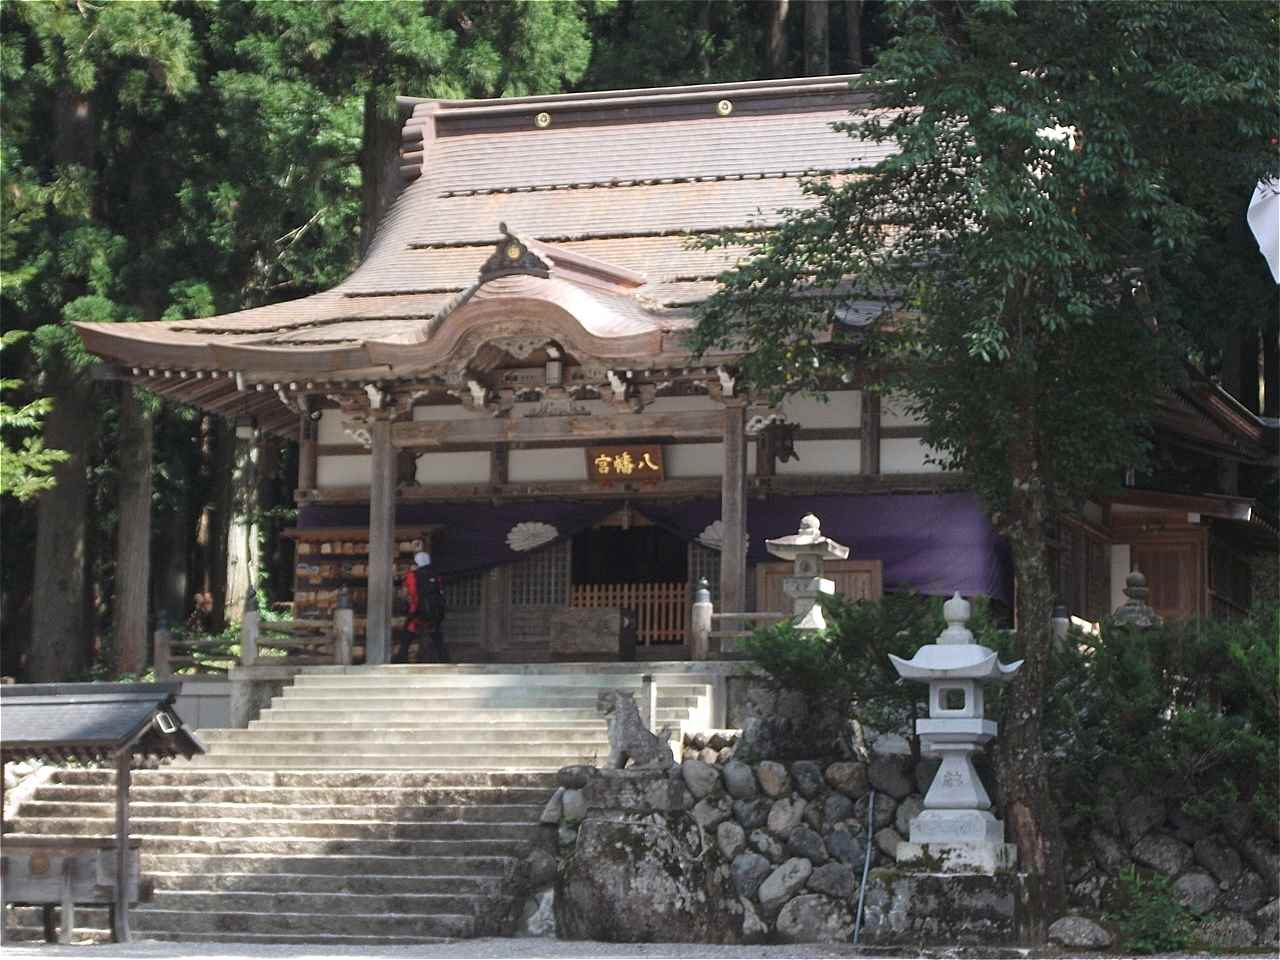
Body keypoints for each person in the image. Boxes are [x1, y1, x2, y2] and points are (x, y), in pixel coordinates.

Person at [397, 551, 448, 663]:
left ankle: (399, 661)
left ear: (416, 562)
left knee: (406, 636)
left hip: (417, 611)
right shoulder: (436, 575)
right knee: (438, 639)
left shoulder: (412, 575)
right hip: (434, 613)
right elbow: (441, 593)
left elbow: (407, 593)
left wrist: (405, 602)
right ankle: (445, 662)